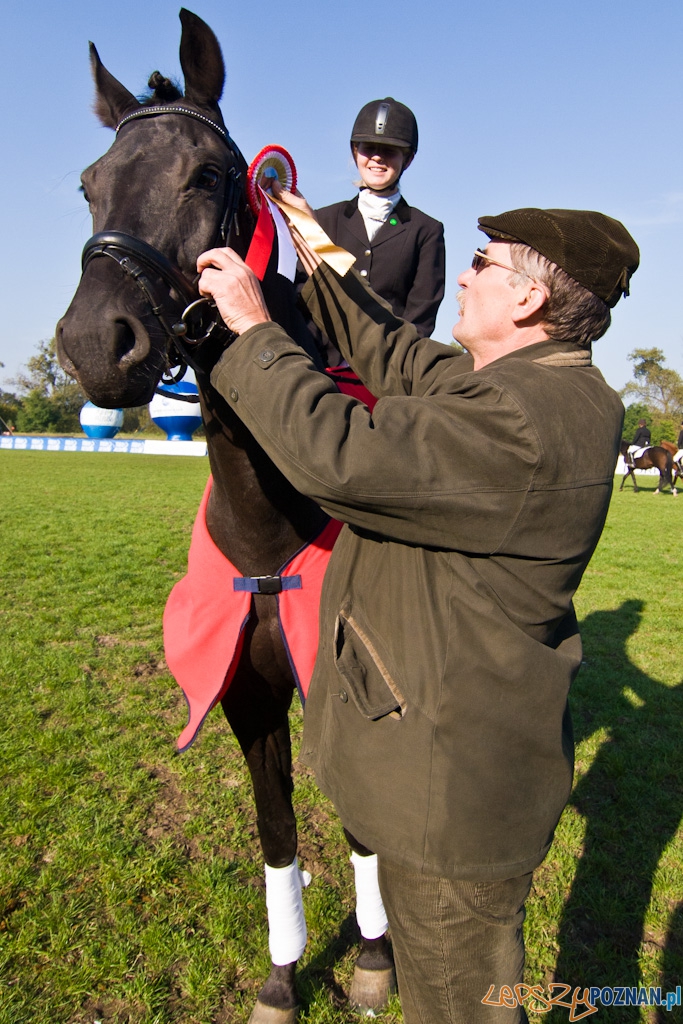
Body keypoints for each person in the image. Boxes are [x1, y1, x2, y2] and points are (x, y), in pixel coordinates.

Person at [195, 204, 639, 1023]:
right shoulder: (537, 386)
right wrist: (318, 255)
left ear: (527, 301)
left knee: (456, 1003)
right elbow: (397, 352)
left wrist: (255, 330)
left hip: (451, 802)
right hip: (461, 774)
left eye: (481, 263)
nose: (462, 277)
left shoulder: (517, 420)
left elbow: (339, 454)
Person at [315, 97, 445, 338]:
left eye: (389, 150)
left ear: (408, 158)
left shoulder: (426, 231)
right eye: (368, 147)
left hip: (388, 370)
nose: (377, 157)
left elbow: (421, 316)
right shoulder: (323, 220)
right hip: (321, 366)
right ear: (355, 151)